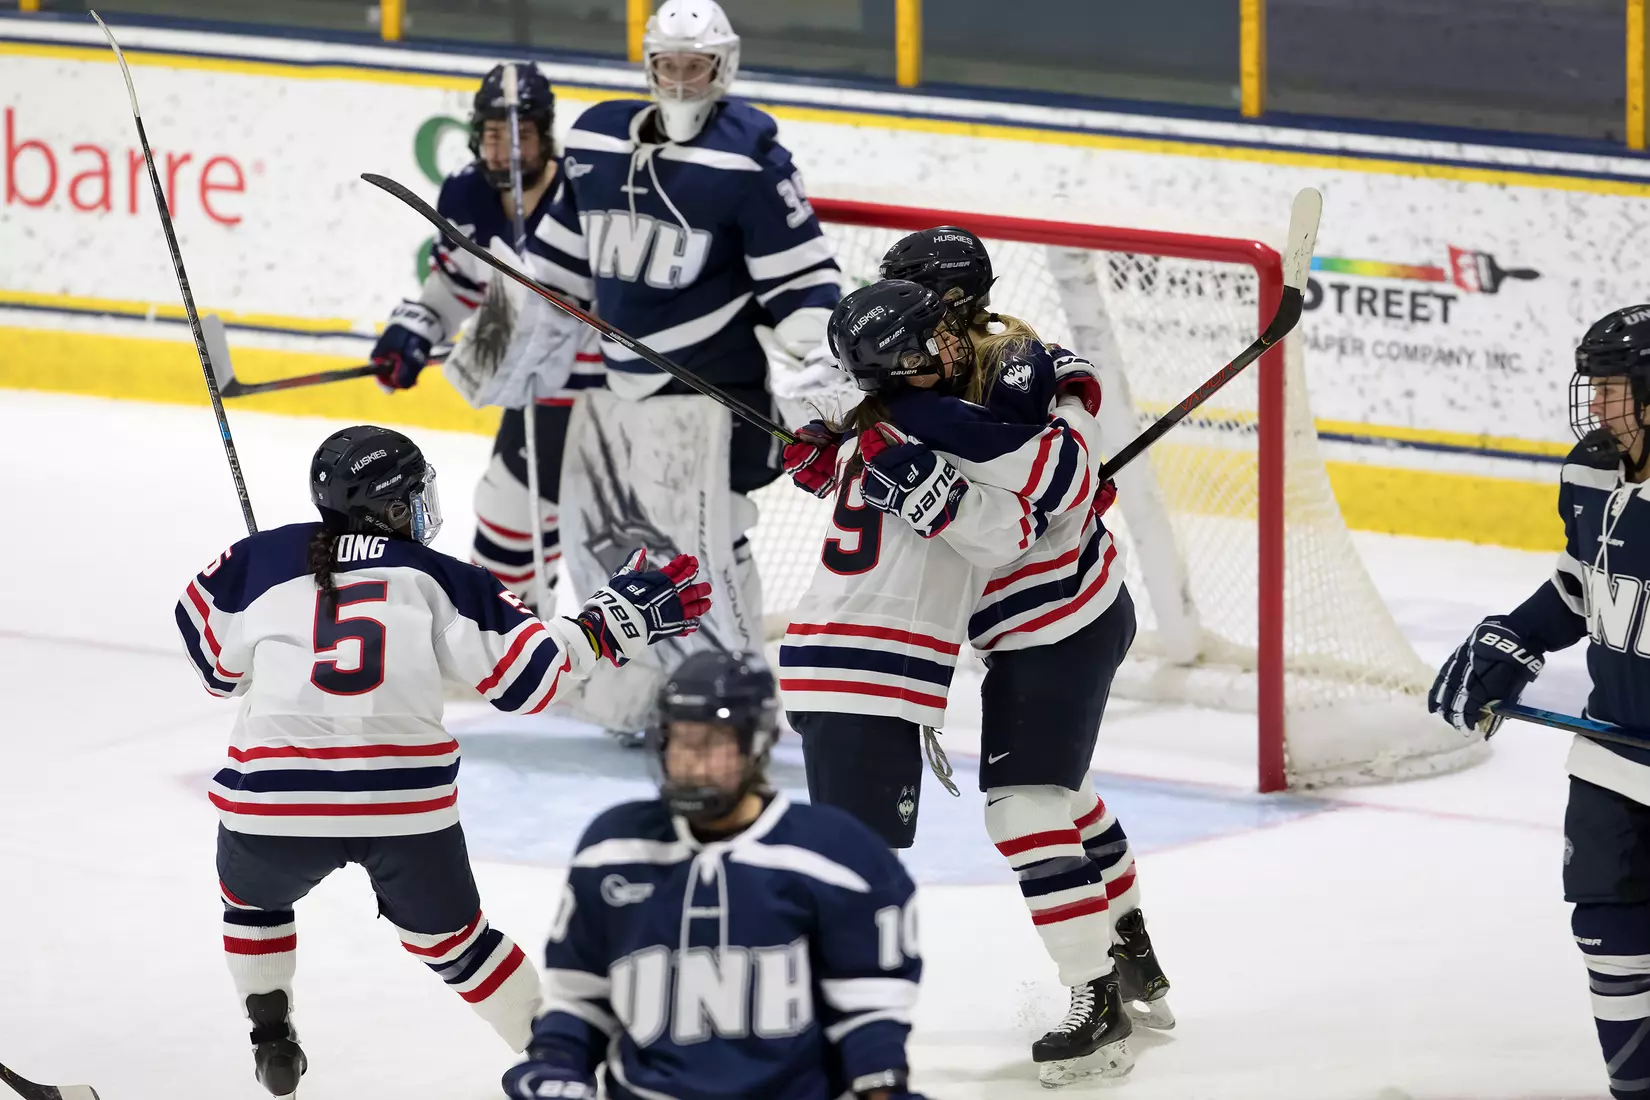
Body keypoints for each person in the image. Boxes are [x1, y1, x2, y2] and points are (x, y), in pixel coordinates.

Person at [174, 424, 711, 1098]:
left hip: (275, 803)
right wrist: (608, 623)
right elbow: (529, 679)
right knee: (460, 944)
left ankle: (270, 1031)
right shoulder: (438, 576)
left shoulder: (262, 557)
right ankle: (557, 1060)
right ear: (396, 506)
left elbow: (212, 663)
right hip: (404, 809)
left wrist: (254, 651)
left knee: (250, 906)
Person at [779, 271, 1152, 1085]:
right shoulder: (924, 420)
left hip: (1030, 629)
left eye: (946, 320)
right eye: (930, 331)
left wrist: (879, 471)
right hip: (879, 666)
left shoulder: (947, 398)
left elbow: (1050, 490)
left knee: (1025, 806)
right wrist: (916, 487)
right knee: (879, 862)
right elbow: (1013, 520)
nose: (949, 338)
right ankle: (833, 1039)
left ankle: (1104, 987)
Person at [521, 0, 841, 730]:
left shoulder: (749, 159)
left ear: (722, 67)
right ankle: (645, 686)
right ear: (649, 65)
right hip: (621, 394)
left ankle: (739, 688)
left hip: (715, 395)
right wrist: (517, 335)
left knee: (710, 537)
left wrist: (817, 360)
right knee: (615, 544)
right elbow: (557, 267)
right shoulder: (597, 142)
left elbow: (802, 283)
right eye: (669, 65)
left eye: (696, 66)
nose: (682, 80)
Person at [500, 652, 928, 1100]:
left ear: (757, 745)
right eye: (680, 742)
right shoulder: (613, 849)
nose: (691, 764)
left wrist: (881, 1088)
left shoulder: (840, 859)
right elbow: (581, 997)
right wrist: (558, 1063)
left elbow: (868, 1015)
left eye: (712, 745)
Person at [1429, 304, 1650, 1100]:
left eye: (1614, 387)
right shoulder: (1592, 469)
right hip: (1616, 747)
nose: (1595, 404)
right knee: (1606, 929)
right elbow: (1584, 583)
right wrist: (1515, 637)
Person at [369, 62, 604, 611]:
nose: (504, 153)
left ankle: (630, 652)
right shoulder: (467, 192)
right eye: (493, 136)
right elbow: (455, 283)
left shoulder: (585, 195)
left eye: (518, 136)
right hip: (535, 394)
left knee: (604, 528)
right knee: (504, 519)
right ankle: (514, 643)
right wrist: (415, 328)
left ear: (546, 135)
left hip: (604, 399)